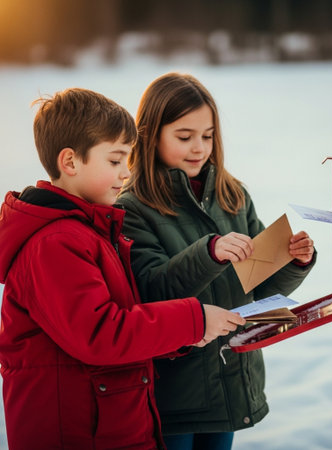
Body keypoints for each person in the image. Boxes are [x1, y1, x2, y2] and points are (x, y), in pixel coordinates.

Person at [0, 87, 245, 450]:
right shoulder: (55, 244)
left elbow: (126, 317)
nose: (124, 173)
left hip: (114, 428)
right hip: (81, 435)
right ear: (70, 163)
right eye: (115, 161)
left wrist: (185, 334)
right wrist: (192, 320)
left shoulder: (92, 232)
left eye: (127, 160)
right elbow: (100, 334)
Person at [117, 72, 317, 450]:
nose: (199, 148)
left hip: (230, 378)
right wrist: (210, 253)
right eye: (184, 136)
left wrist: (293, 263)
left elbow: (258, 290)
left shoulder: (232, 195)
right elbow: (152, 290)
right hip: (173, 392)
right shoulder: (133, 207)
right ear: (150, 134)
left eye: (207, 136)